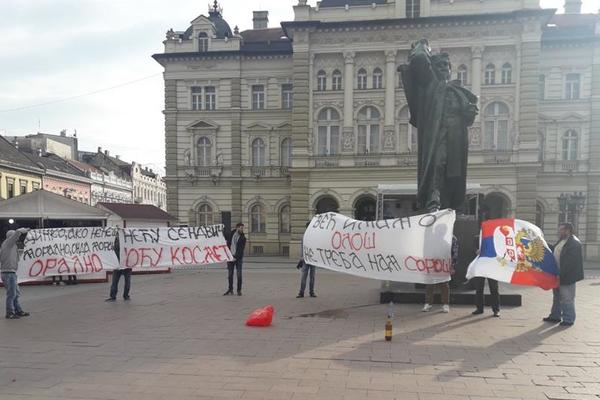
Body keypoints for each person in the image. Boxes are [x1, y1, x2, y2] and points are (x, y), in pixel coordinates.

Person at [399, 38, 478, 212]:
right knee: (438, 163)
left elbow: (469, 119)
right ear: (433, 68)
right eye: (440, 65)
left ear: (450, 70)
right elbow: (419, 58)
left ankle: (448, 204)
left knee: (453, 172)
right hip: (437, 133)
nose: (444, 67)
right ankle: (433, 198)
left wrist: (469, 113)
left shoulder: (459, 92)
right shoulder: (430, 85)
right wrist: (423, 46)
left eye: (446, 65)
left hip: (456, 136)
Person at [544, 222, 584, 327]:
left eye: (561, 229)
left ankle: (569, 319)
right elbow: (555, 250)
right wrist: (543, 243)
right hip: (557, 274)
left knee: (567, 298)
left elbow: (570, 263)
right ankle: (555, 316)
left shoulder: (574, 243)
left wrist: (560, 274)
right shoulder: (562, 240)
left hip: (566, 276)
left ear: (568, 230)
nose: (559, 231)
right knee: (557, 297)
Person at [423, 235, 458, 313]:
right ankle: (428, 303)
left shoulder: (452, 238)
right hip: (432, 262)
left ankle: (446, 304)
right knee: (429, 284)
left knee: (444, 284)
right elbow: (427, 249)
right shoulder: (432, 237)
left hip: (444, 264)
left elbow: (455, 252)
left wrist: (452, 265)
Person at [1, 228, 31, 319]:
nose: (17, 238)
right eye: (14, 236)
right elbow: (18, 232)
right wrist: (25, 230)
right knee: (12, 294)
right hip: (8, 273)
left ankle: (17, 310)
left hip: (10, 272)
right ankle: (10, 312)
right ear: (11, 236)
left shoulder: (9, 246)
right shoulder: (8, 243)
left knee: (15, 293)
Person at [472, 234, 500, 317]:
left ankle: (496, 310)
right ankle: (479, 309)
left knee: (494, 288)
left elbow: (499, 251)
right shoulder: (476, 238)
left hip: (492, 267)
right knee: (479, 288)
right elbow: (473, 248)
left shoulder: (495, 239)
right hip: (480, 266)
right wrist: (476, 250)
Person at [105, 235, 131, 301]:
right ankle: (126, 296)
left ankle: (113, 296)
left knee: (115, 282)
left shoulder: (116, 244)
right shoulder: (128, 243)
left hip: (119, 265)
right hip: (125, 265)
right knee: (126, 281)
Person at [224, 223, 246, 296]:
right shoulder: (231, 234)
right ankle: (230, 289)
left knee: (239, 275)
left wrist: (235, 257)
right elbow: (224, 237)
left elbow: (241, 250)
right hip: (230, 258)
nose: (242, 229)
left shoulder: (243, 238)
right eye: (241, 228)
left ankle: (239, 290)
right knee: (230, 275)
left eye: (243, 228)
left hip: (238, 258)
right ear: (237, 228)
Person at [297, 222, 316, 298]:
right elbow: (302, 246)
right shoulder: (306, 236)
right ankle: (304, 292)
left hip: (311, 259)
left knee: (309, 276)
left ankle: (308, 292)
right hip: (307, 259)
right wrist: (302, 256)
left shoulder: (312, 236)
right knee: (308, 276)